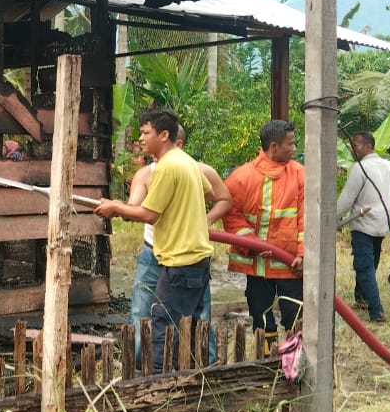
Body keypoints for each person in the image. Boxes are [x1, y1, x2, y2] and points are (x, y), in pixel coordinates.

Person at [96, 109, 214, 372]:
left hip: (179, 263)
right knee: (194, 326)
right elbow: (206, 193)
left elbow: (149, 214)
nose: (140, 138)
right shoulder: (187, 162)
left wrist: (116, 208)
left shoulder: (167, 167)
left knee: (162, 326)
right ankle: (200, 378)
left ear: (163, 135)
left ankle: (161, 386)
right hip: (197, 259)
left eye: (146, 132)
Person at [125, 125, 231, 362]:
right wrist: (122, 209)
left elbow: (224, 198)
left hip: (186, 257)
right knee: (143, 312)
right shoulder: (146, 174)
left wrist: (205, 220)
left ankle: (205, 367)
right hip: (154, 253)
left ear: (175, 144)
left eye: (147, 136)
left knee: (198, 315)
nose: (143, 141)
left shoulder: (195, 170)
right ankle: (140, 369)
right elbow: (135, 208)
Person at [222, 119, 306, 356]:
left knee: (295, 317)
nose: (294, 148)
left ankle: (294, 364)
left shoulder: (300, 175)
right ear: (273, 146)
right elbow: (230, 215)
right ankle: (266, 364)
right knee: (261, 318)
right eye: (290, 144)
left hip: (291, 265)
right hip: (257, 268)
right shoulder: (242, 178)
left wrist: (303, 254)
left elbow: (306, 218)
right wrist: (251, 241)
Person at [337, 131, 390, 323]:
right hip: (382, 225)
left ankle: (376, 312)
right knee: (370, 264)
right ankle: (361, 300)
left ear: (368, 146)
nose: (353, 149)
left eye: (356, 145)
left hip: (363, 225)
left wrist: (331, 220)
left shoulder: (360, 168)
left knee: (365, 267)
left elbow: (346, 200)